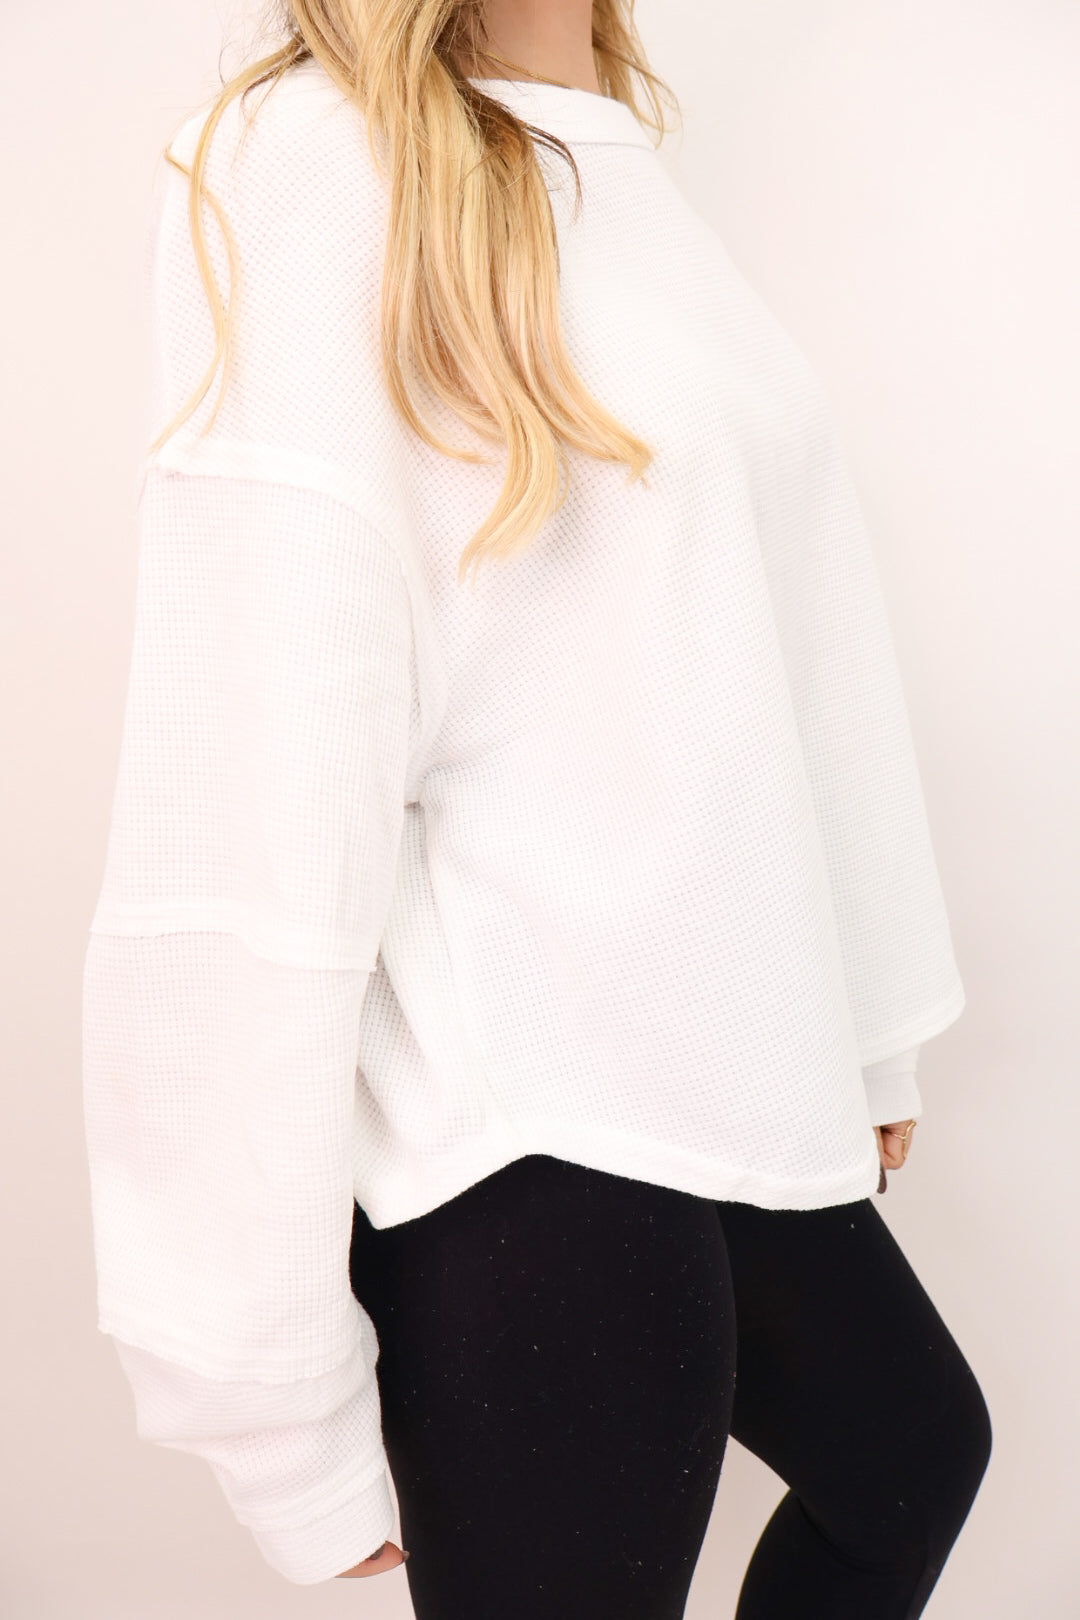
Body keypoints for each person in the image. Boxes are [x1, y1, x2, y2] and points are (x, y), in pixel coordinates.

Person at [81, 0, 992, 1614]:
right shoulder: (313, 159)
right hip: (521, 1113)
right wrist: (264, 1396)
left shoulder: (608, 148)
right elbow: (246, 790)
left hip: (699, 1053)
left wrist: (853, 1027)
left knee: (909, 1451)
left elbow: (746, 627)